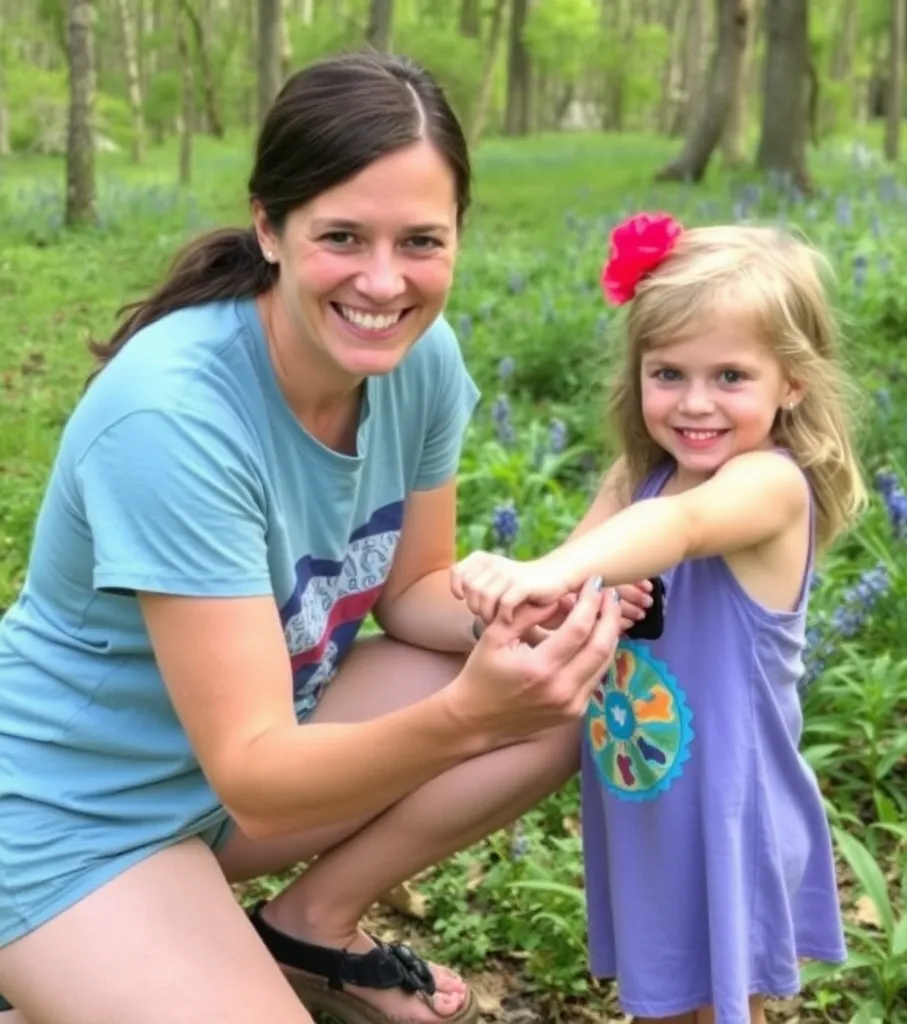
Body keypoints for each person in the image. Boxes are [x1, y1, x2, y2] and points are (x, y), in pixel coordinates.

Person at [0, 52, 627, 1024]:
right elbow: (258, 777)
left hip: (227, 783)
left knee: (560, 700)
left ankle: (309, 926)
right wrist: (468, 712)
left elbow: (413, 586)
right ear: (270, 226)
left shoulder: (418, 360)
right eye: (342, 236)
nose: (384, 283)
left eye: (420, 240)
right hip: (67, 816)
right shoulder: (172, 419)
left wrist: (531, 612)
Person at [451, 212, 867, 1024]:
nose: (695, 403)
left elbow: (680, 530)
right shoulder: (637, 476)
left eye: (731, 377)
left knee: (715, 1006)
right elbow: (566, 587)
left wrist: (557, 567)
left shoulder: (771, 485)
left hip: (728, 805)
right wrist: (533, 599)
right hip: (644, 795)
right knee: (660, 1003)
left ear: (793, 383)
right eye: (668, 373)